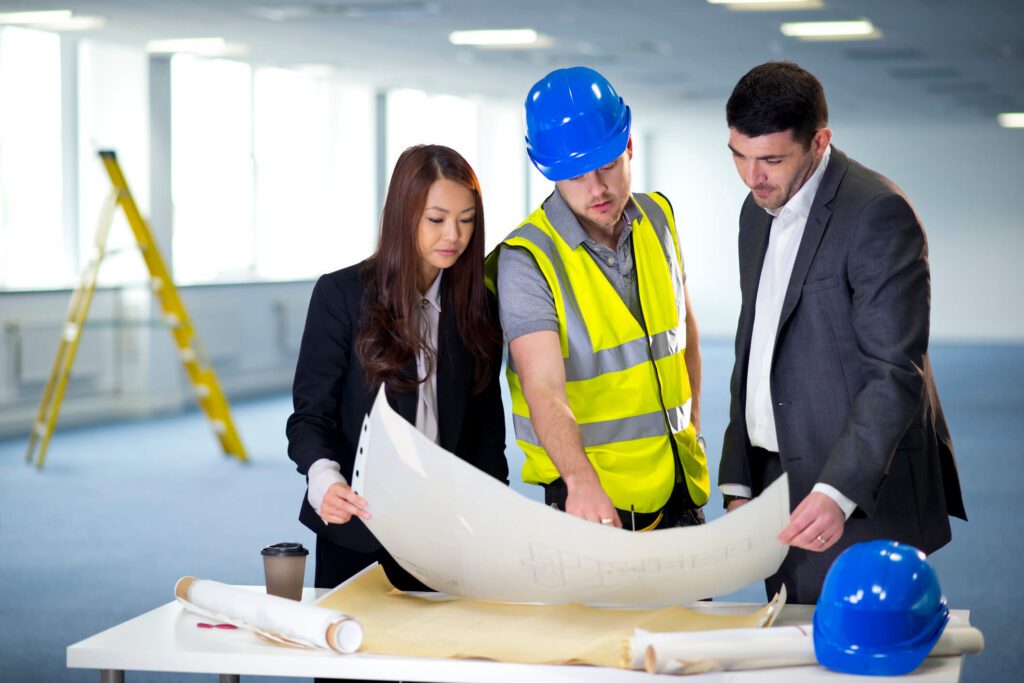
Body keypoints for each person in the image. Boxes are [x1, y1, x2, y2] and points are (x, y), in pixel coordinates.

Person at [718, 61, 967, 604]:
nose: (752, 177)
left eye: (771, 160)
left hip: (858, 485)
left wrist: (838, 491)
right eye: (738, 156)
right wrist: (740, 476)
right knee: (794, 644)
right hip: (777, 479)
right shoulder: (755, 210)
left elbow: (895, 372)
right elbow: (755, 344)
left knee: (863, 656)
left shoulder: (876, 213)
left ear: (819, 141)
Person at [488, 66, 708, 531]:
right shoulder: (528, 259)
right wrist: (579, 481)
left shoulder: (659, 218)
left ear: (629, 146)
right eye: (575, 175)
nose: (597, 189)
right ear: (548, 171)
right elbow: (542, 386)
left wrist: (695, 432)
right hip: (595, 506)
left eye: (607, 165)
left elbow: (683, 332)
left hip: (680, 489)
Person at [287, 144, 508, 599]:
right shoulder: (341, 295)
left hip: (446, 531)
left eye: (467, 220)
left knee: (440, 661)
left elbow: (487, 431)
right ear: (404, 215)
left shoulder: (478, 306)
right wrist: (324, 479)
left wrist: (493, 515)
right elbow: (311, 416)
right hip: (358, 525)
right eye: (437, 218)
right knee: (353, 662)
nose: (454, 234)